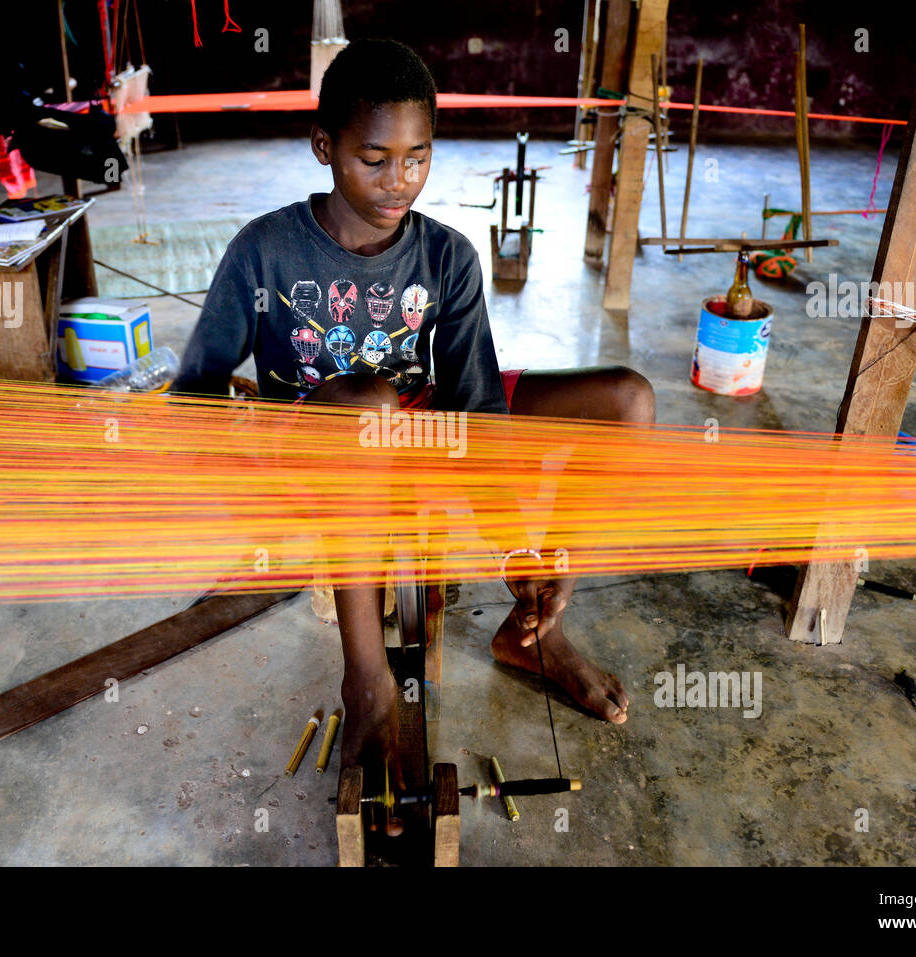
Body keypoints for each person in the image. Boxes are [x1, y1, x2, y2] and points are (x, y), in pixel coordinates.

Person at [172, 39, 654, 811]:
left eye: (418, 158)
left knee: (626, 399)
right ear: (324, 147)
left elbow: (476, 409)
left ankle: (534, 625)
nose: (399, 182)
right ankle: (365, 677)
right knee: (369, 405)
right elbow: (190, 397)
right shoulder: (263, 251)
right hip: (314, 443)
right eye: (374, 159)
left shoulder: (448, 256)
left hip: (416, 420)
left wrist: (518, 548)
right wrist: (243, 429)